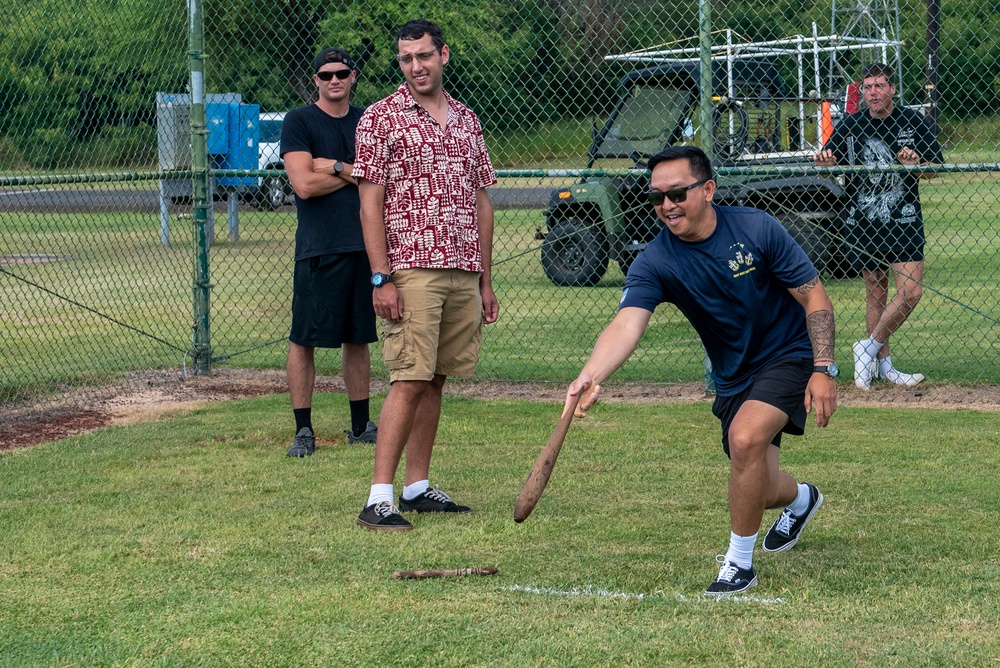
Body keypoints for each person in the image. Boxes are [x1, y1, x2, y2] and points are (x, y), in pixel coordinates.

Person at [566, 146, 837, 595]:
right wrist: (591, 374)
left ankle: (739, 565)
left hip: (789, 354)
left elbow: (814, 297)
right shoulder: (656, 259)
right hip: (734, 376)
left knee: (746, 438)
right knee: (761, 488)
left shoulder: (756, 228)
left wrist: (824, 368)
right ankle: (803, 499)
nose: (667, 206)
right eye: (656, 198)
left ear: (708, 189)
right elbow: (627, 322)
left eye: (677, 193)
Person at [352, 19, 499, 531]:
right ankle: (379, 498)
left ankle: (416, 487)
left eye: (424, 56)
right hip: (410, 266)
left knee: (436, 378)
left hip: (462, 268)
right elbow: (369, 203)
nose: (416, 66)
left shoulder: (466, 119)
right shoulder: (380, 118)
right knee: (408, 379)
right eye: (406, 59)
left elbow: (482, 199)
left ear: (444, 56)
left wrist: (484, 278)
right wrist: (381, 277)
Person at [815, 62, 942, 390]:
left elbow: (934, 169)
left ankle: (866, 347)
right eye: (868, 87)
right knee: (875, 296)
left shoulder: (912, 121)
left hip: (904, 219)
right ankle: (883, 365)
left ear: (892, 89)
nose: (873, 92)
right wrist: (825, 161)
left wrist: (916, 165)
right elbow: (830, 161)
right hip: (865, 223)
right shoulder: (850, 125)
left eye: (880, 86)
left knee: (911, 292)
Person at [280, 47, 378, 457]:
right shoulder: (299, 121)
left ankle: (360, 425)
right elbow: (303, 185)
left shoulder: (367, 121)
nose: (334, 80)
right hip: (319, 249)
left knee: (358, 340)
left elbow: (381, 178)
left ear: (353, 76)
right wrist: (355, 172)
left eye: (341, 73)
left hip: (366, 246)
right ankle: (304, 431)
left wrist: (335, 166)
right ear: (315, 79)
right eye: (326, 75)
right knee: (304, 339)